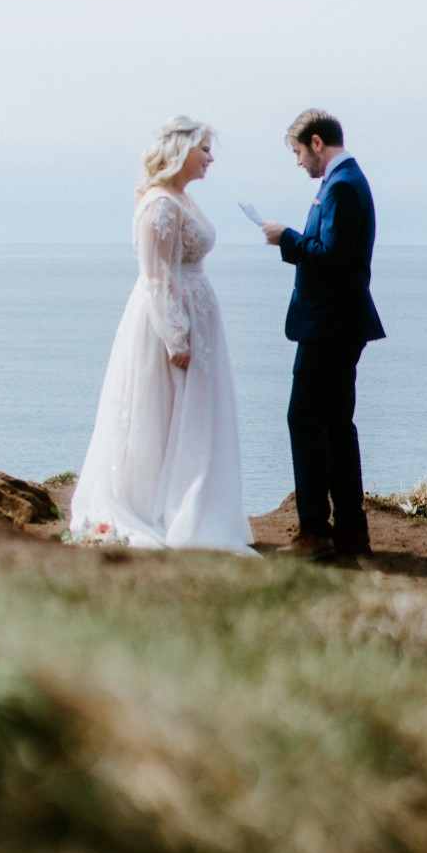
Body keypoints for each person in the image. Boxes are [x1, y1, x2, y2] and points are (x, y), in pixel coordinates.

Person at [71, 117, 254, 552]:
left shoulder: (182, 198)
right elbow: (157, 277)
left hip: (197, 317)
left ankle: (188, 503)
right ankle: (158, 507)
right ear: (181, 150)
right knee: (163, 413)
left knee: (190, 416)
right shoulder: (160, 204)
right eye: (205, 149)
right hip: (169, 324)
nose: (210, 158)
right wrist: (176, 335)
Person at [261, 110, 384, 560]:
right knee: (335, 424)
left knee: (305, 420)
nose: (297, 163)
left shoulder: (343, 185)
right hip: (339, 323)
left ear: (316, 143)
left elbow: (331, 257)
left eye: (297, 152)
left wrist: (286, 238)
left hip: (330, 326)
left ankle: (314, 532)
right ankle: (351, 528)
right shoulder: (344, 182)